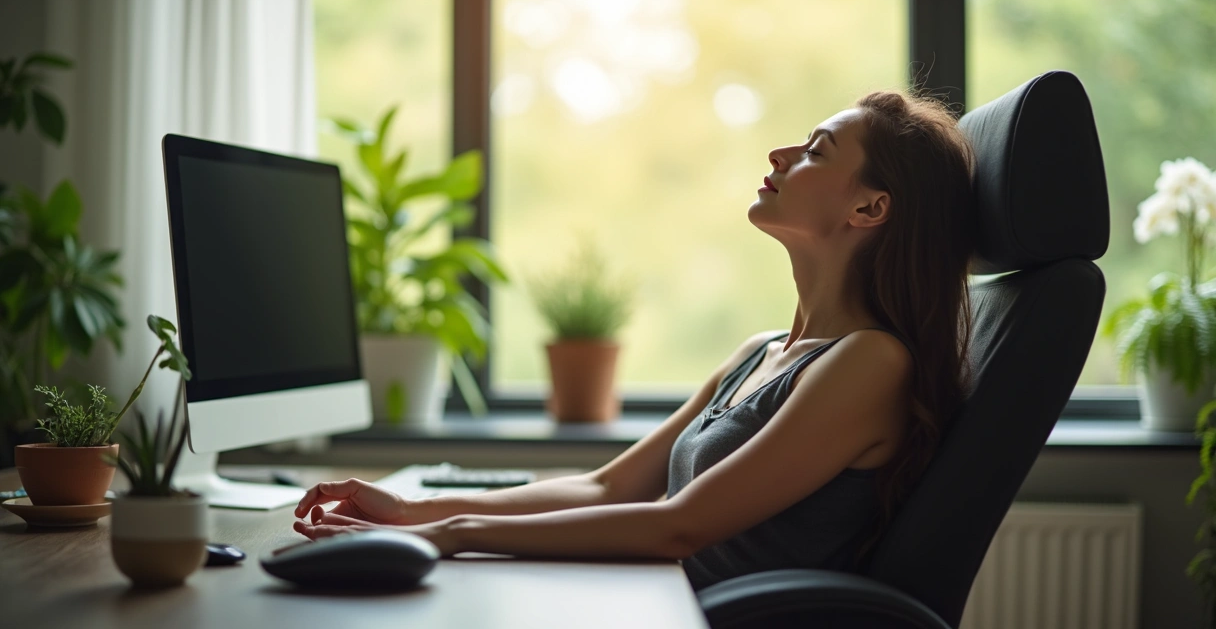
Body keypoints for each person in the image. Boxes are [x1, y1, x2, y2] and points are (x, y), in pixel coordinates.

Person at [293, 90, 977, 591]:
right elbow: (606, 487)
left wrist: (449, 536)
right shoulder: (760, 352)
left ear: (869, 207)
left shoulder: (870, 362)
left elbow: (676, 525)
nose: (780, 153)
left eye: (817, 150)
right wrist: (418, 509)